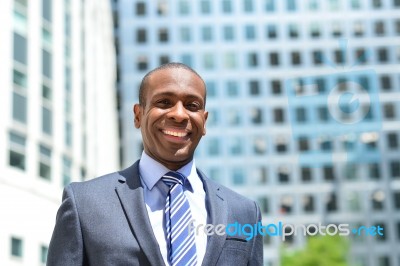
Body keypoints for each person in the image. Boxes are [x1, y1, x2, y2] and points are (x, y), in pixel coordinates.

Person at [47, 62, 263, 266]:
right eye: (164, 102)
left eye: (192, 105)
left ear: (204, 122)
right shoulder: (84, 203)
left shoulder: (245, 212)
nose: (179, 114)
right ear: (138, 115)